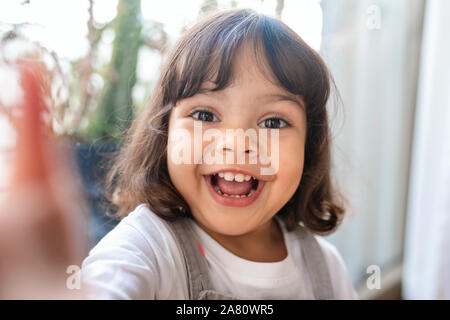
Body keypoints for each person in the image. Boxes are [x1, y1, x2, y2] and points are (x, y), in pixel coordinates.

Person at [81, 8, 357, 300]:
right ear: (165, 134)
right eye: (204, 115)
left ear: (308, 146)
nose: (236, 143)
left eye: (273, 122)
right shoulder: (148, 246)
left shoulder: (327, 269)